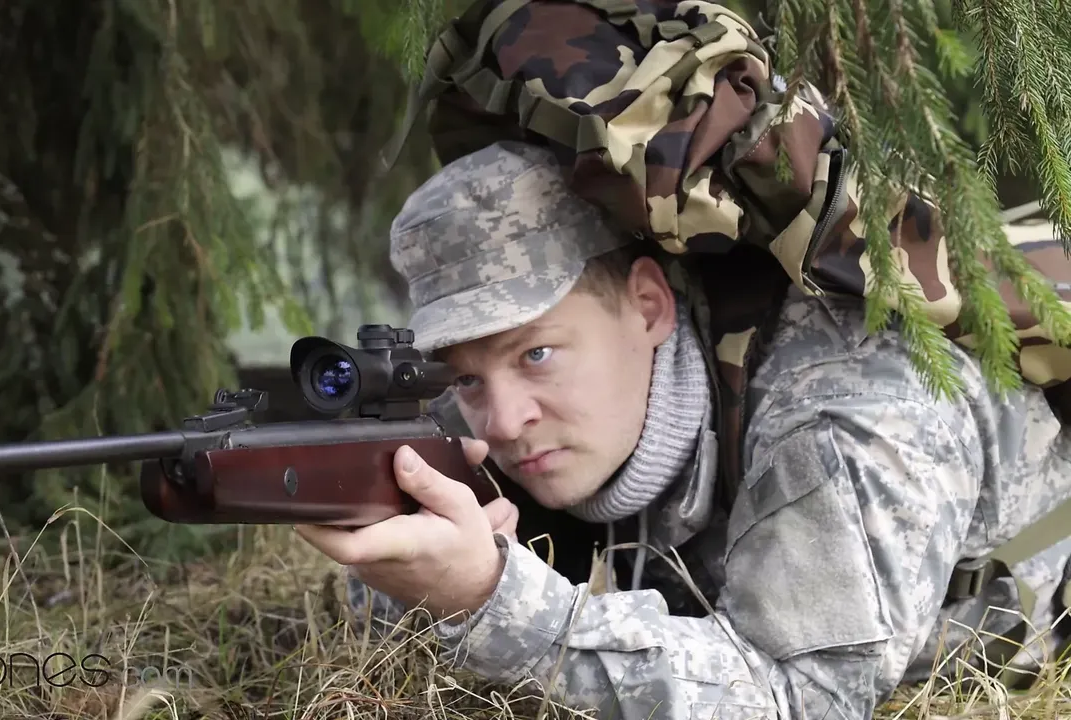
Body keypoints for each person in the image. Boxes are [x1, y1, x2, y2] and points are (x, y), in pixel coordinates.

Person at [293, 140, 1071, 720]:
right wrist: (401, 556)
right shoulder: (530, 400)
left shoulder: (837, 418)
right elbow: (389, 617)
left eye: (536, 355)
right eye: (466, 377)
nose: (502, 421)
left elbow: (805, 698)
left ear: (649, 305)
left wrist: (490, 602)